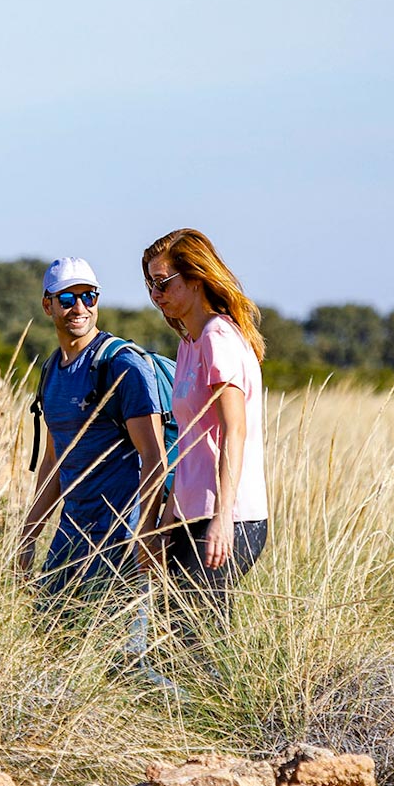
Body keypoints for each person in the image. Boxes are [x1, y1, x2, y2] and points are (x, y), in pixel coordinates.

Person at [18, 256, 168, 623]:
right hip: (72, 534)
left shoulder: (122, 367)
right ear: (47, 304)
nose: (79, 308)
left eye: (89, 296)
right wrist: (29, 534)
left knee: (125, 662)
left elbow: (153, 456)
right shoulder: (52, 370)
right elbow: (55, 460)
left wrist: (146, 532)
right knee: (49, 639)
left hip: (122, 536)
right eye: (67, 299)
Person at [140, 229, 269, 616]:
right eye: (149, 284)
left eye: (163, 282)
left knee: (194, 640)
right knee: (178, 643)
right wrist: (165, 520)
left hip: (227, 517)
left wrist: (223, 517)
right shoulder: (188, 343)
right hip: (188, 514)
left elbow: (235, 430)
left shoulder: (218, 338)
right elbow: (191, 441)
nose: (155, 294)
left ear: (196, 279)